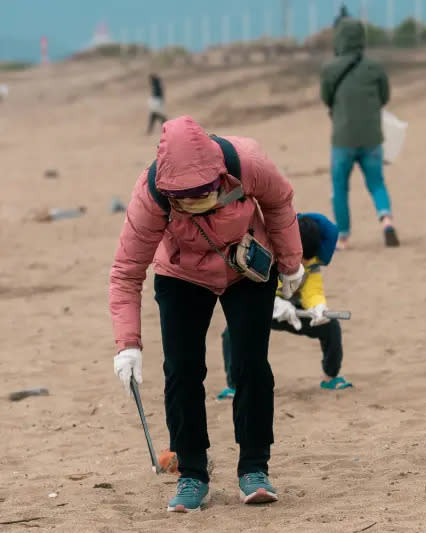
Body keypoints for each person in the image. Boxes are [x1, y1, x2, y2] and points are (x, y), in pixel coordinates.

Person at [109, 116, 305, 512]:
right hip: (181, 274)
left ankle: (254, 468)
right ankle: (192, 474)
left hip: (247, 268)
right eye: (186, 200)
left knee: (251, 364)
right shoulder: (151, 194)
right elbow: (127, 272)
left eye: (206, 194)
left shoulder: (247, 162)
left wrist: (292, 263)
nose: (198, 204)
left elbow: (279, 202)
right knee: (181, 371)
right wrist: (127, 344)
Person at [218, 212, 352, 400]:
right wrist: (272, 303)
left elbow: (312, 290)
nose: (304, 263)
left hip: (293, 312)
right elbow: (248, 286)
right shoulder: (266, 253)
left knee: (330, 326)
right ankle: (235, 385)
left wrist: (318, 306)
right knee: (232, 333)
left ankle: (331, 376)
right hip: (262, 305)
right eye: (302, 257)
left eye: (308, 259)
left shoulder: (312, 261)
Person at [320, 18, 399, 249]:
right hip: (372, 137)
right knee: (376, 183)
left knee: (340, 186)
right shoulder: (375, 67)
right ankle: (386, 220)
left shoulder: (330, 68)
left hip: (343, 139)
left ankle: (343, 236)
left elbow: (326, 98)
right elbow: (384, 97)